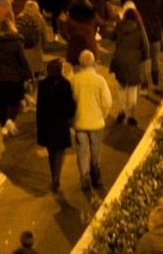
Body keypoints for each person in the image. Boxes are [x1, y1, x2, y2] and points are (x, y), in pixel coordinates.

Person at [71, 49, 113, 203]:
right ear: (93, 63)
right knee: (95, 152)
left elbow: (71, 101)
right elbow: (107, 102)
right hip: (96, 123)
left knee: (82, 151)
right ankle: (96, 176)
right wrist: (103, 115)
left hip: (80, 122)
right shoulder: (100, 80)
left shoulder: (74, 80)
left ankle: (85, 178)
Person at [35, 57, 77, 202]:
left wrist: (38, 124)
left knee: (51, 151)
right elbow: (70, 104)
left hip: (47, 123)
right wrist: (70, 117)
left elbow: (39, 107)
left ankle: (54, 175)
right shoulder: (65, 84)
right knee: (60, 151)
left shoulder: (42, 85)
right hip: (60, 123)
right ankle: (56, 177)